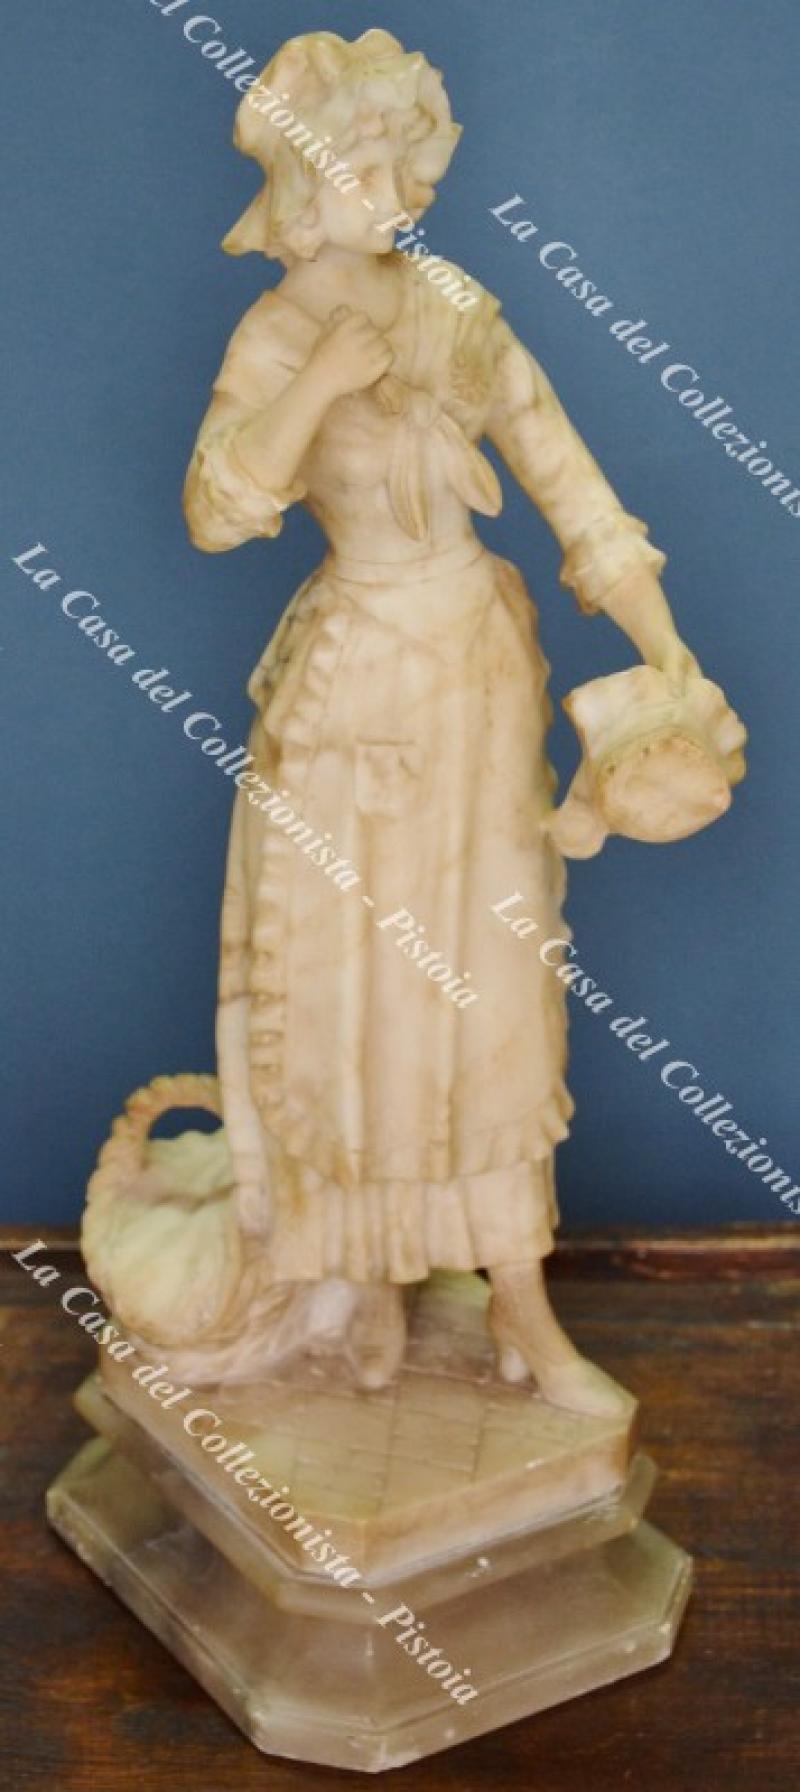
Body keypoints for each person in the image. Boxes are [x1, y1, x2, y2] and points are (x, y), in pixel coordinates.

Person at [183, 29, 700, 1410]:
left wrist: (665, 648)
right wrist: (318, 383)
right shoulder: (275, 334)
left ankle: (521, 1298)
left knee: (493, 993)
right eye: (361, 168)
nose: (396, 188)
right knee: (355, 992)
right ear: (303, 191)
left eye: (401, 161)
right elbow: (218, 511)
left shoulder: (458, 305)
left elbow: (568, 480)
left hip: (473, 675)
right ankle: (371, 1274)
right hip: (351, 694)